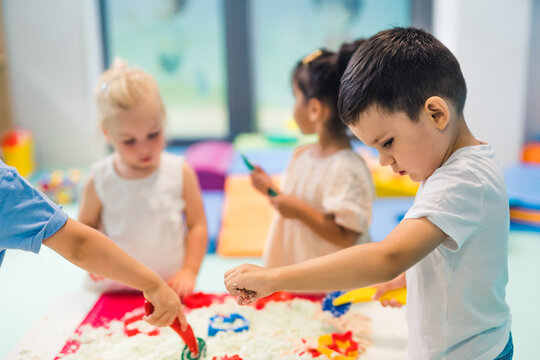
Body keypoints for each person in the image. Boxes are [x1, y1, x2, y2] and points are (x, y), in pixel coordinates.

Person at [225, 27, 513, 360]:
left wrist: (274, 278)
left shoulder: (462, 180)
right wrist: (409, 278)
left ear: (436, 114)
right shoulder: (453, 167)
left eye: (387, 143)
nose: (384, 160)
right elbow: (451, 252)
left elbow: (387, 257)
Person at [0, 160, 186, 328]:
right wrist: (153, 285)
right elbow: (79, 244)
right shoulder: (4, 186)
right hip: (111, 285)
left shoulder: (179, 171)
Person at [78, 60, 207, 298]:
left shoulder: (180, 172)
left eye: (153, 134)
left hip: (169, 287)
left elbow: (197, 224)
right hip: (112, 287)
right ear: (108, 134)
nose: (144, 148)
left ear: (163, 122)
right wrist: (91, 262)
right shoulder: (100, 179)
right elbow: (85, 229)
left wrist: (189, 270)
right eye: (129, 141)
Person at [249, 40, 374, 267]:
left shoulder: (346, 167)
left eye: (296, 97)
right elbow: (295, 204)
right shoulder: (302, 154)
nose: (293, 106)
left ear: (315, 109)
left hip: (332, 287)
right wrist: (270, 189)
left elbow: (347, 235)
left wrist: (298, 211)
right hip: (298, 273)